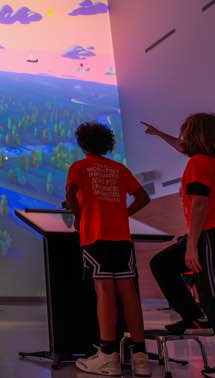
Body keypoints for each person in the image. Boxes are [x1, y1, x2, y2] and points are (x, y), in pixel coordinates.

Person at [143, 115, 215, 377]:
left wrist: (191, 244)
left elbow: (200, 204)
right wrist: (159, 134)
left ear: (196, 135)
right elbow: (182, 147)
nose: (183, 137)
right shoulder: (212, 158)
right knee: (162, 263)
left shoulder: (199, 163)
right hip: (213, 233)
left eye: (186, 131)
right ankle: (193, 315)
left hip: (211, 235)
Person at [66, 122, 151, 376]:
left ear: (82, 143)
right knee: (128, 292)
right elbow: (143, 197)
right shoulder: (119, 169)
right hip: (121, 238)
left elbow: (70, 194)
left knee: (104, 290)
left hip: (96, 236)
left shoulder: (79, 167)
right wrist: (123, 214)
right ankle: (141, 358)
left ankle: (107, 355)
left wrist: (79, 217)